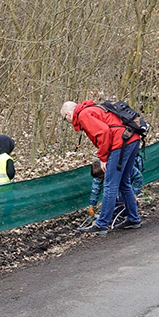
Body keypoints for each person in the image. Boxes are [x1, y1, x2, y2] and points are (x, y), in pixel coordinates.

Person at [62, 100, 142, 235]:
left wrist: (103, 157)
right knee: (124, 182)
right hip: (132, 138)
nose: (67, 121)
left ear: (69, 114)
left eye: (65, 119)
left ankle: (102, 223)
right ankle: (133, 218)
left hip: (120, 143)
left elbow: (104, 132)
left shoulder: (83, 115)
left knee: (110, 185)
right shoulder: (92, 109)